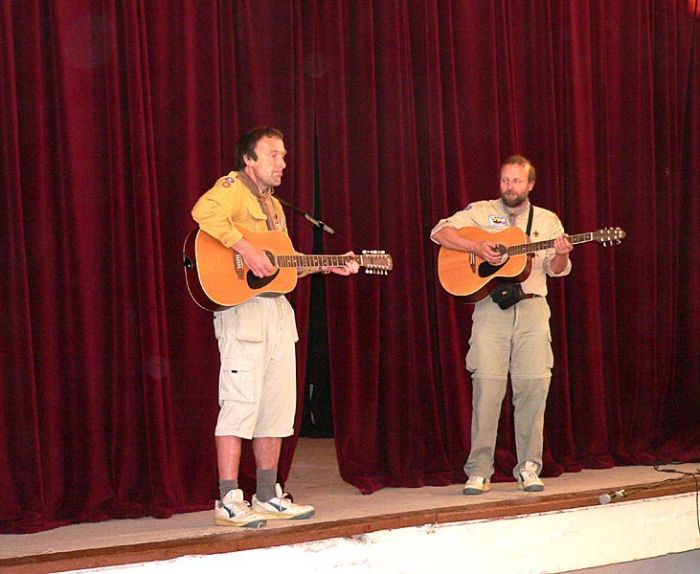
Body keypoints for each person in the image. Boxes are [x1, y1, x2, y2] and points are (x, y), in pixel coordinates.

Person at [192, 126, 359, 527]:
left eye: (283, 155)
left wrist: (326, 266)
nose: (282, 162)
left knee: (277, 407)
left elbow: (282, 267)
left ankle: (267, 494)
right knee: (239, 405)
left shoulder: (275, 207)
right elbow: (203, 211)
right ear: (249, 160)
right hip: (243, 313)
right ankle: (228, 499)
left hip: (277, 313)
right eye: (273, 155)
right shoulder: (232, 188)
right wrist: (245, 248)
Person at [430, 154, 573, 495]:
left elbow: (556, 270)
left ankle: (529, 468)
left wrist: (562, 252)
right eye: (505, 180)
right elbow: (439, 232)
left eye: (517, 181)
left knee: (533, 388)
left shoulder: (547, 221)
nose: (509, 186)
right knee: (487, 391)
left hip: (533, 310)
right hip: (490, 310)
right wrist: (477, 246)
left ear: (530, 185)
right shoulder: (481, 212)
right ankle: (479, 471)